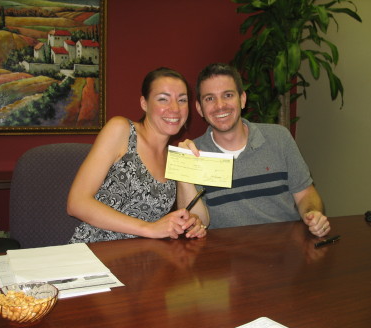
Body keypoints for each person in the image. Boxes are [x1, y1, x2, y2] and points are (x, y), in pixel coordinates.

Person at [176, 63, 330, 237]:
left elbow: (305, 194)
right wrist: (184, 169)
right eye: (210, 98)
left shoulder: (279, 138)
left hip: (285, 250)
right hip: (227, 257)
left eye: (228, 95)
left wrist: (312, 213)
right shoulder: (195, 153)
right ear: (199, 109)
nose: (220, 105)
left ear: (242, 99)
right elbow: (196, 223)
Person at [68, 67, 207, 243]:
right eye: (163, 99)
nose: (175, 108)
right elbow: (76, 203)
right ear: (144, 103)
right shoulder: (122, 130)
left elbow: (200, 218)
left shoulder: (172, 157)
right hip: (94, 249)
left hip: (140, 258)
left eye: (182, 100)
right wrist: (148, 228)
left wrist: (192, 222)